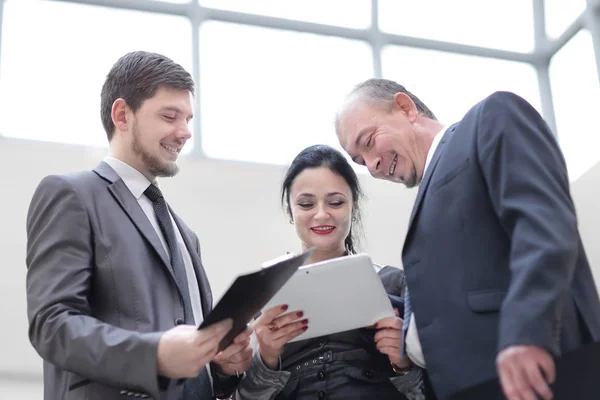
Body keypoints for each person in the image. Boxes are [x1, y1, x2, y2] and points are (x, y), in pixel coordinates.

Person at [334, 78, 600, 400]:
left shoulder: (489, 119)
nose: (372, 165)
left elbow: (542, 225)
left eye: (369, 141)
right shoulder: (424, 197)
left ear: (405, 109)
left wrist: (528, 332)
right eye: (360, 161)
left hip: (532, 373)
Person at [25, 51, 252, 400]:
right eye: (169, 116)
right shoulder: (72, 195)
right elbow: (52, 325)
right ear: (122, 115)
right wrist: (155, 355)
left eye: (188, 118)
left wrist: (221, 364)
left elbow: (197, 369)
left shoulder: (184, 234)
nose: (185, 132)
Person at [234, 144, 425, 400]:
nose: (321, 214)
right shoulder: (265, 291)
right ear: (291, 211)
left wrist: (403, 363)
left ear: (353, 206)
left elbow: (433, 390)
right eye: (305, 204)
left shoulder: (395, 284)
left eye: (335, 202)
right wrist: (267, 357)